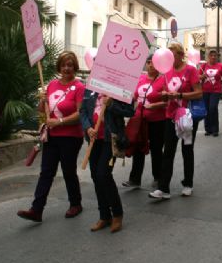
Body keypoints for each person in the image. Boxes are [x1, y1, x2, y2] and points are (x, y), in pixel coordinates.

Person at [17, 51, 86, 223]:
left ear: (75, 67)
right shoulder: (52, 85)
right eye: (63, 65)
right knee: (46, 172)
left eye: (70, 65)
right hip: (52, 136)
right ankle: (36, 209)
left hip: (71, 136)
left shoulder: (79, 87)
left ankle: (75, 203)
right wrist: (42, 100)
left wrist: (61, 122)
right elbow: (43, 110)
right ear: (59, 67)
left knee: (68, 171)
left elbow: (81, 114)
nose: (66, 68)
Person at [149, 43, 203, 200]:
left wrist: (180, 96)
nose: (169, 60)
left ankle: (188, 184)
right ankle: (163, 188)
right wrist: (165, 95)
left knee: (187, 150)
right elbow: (165, 94)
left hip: (187, 116)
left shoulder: (191, 70)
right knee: (168, 151)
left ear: (180, 54)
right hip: (170, 115)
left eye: (172, 56)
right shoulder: (167, 72)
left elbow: (199, 93)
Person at [80, 90, 135, 233]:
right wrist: (87, 128)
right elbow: (83, 111)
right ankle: (104, 215)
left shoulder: (120, 89)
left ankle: (117, 214)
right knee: (95, 177)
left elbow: (129, 111)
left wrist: (111, 105)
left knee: (103, 174)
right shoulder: (89, 89)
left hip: (110, 139)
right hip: (93, 139)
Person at [123, 56, 168, 189]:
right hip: (139, 120)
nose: (150, 65)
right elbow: (133, 97)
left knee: (156, 149)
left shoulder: (163, 80)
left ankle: (158, 177)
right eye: (148, 62)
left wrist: (155, 106)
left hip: (157, 121)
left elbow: (168, 102)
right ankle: (135, 179)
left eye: (153, 63)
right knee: (138, 147)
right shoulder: (140, 79)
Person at [199, 50, 222, 137]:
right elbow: (198, 77)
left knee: (213, 108)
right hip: (205, 90)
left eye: (215, 56)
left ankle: (215, 129)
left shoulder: (220, 66)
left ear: (217, 57)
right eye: (212, 55)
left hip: (216, 91)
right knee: (206, 109)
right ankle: (208, 129)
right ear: (208, 57)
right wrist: (202, 76)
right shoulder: (204, 66)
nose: (213, 57)